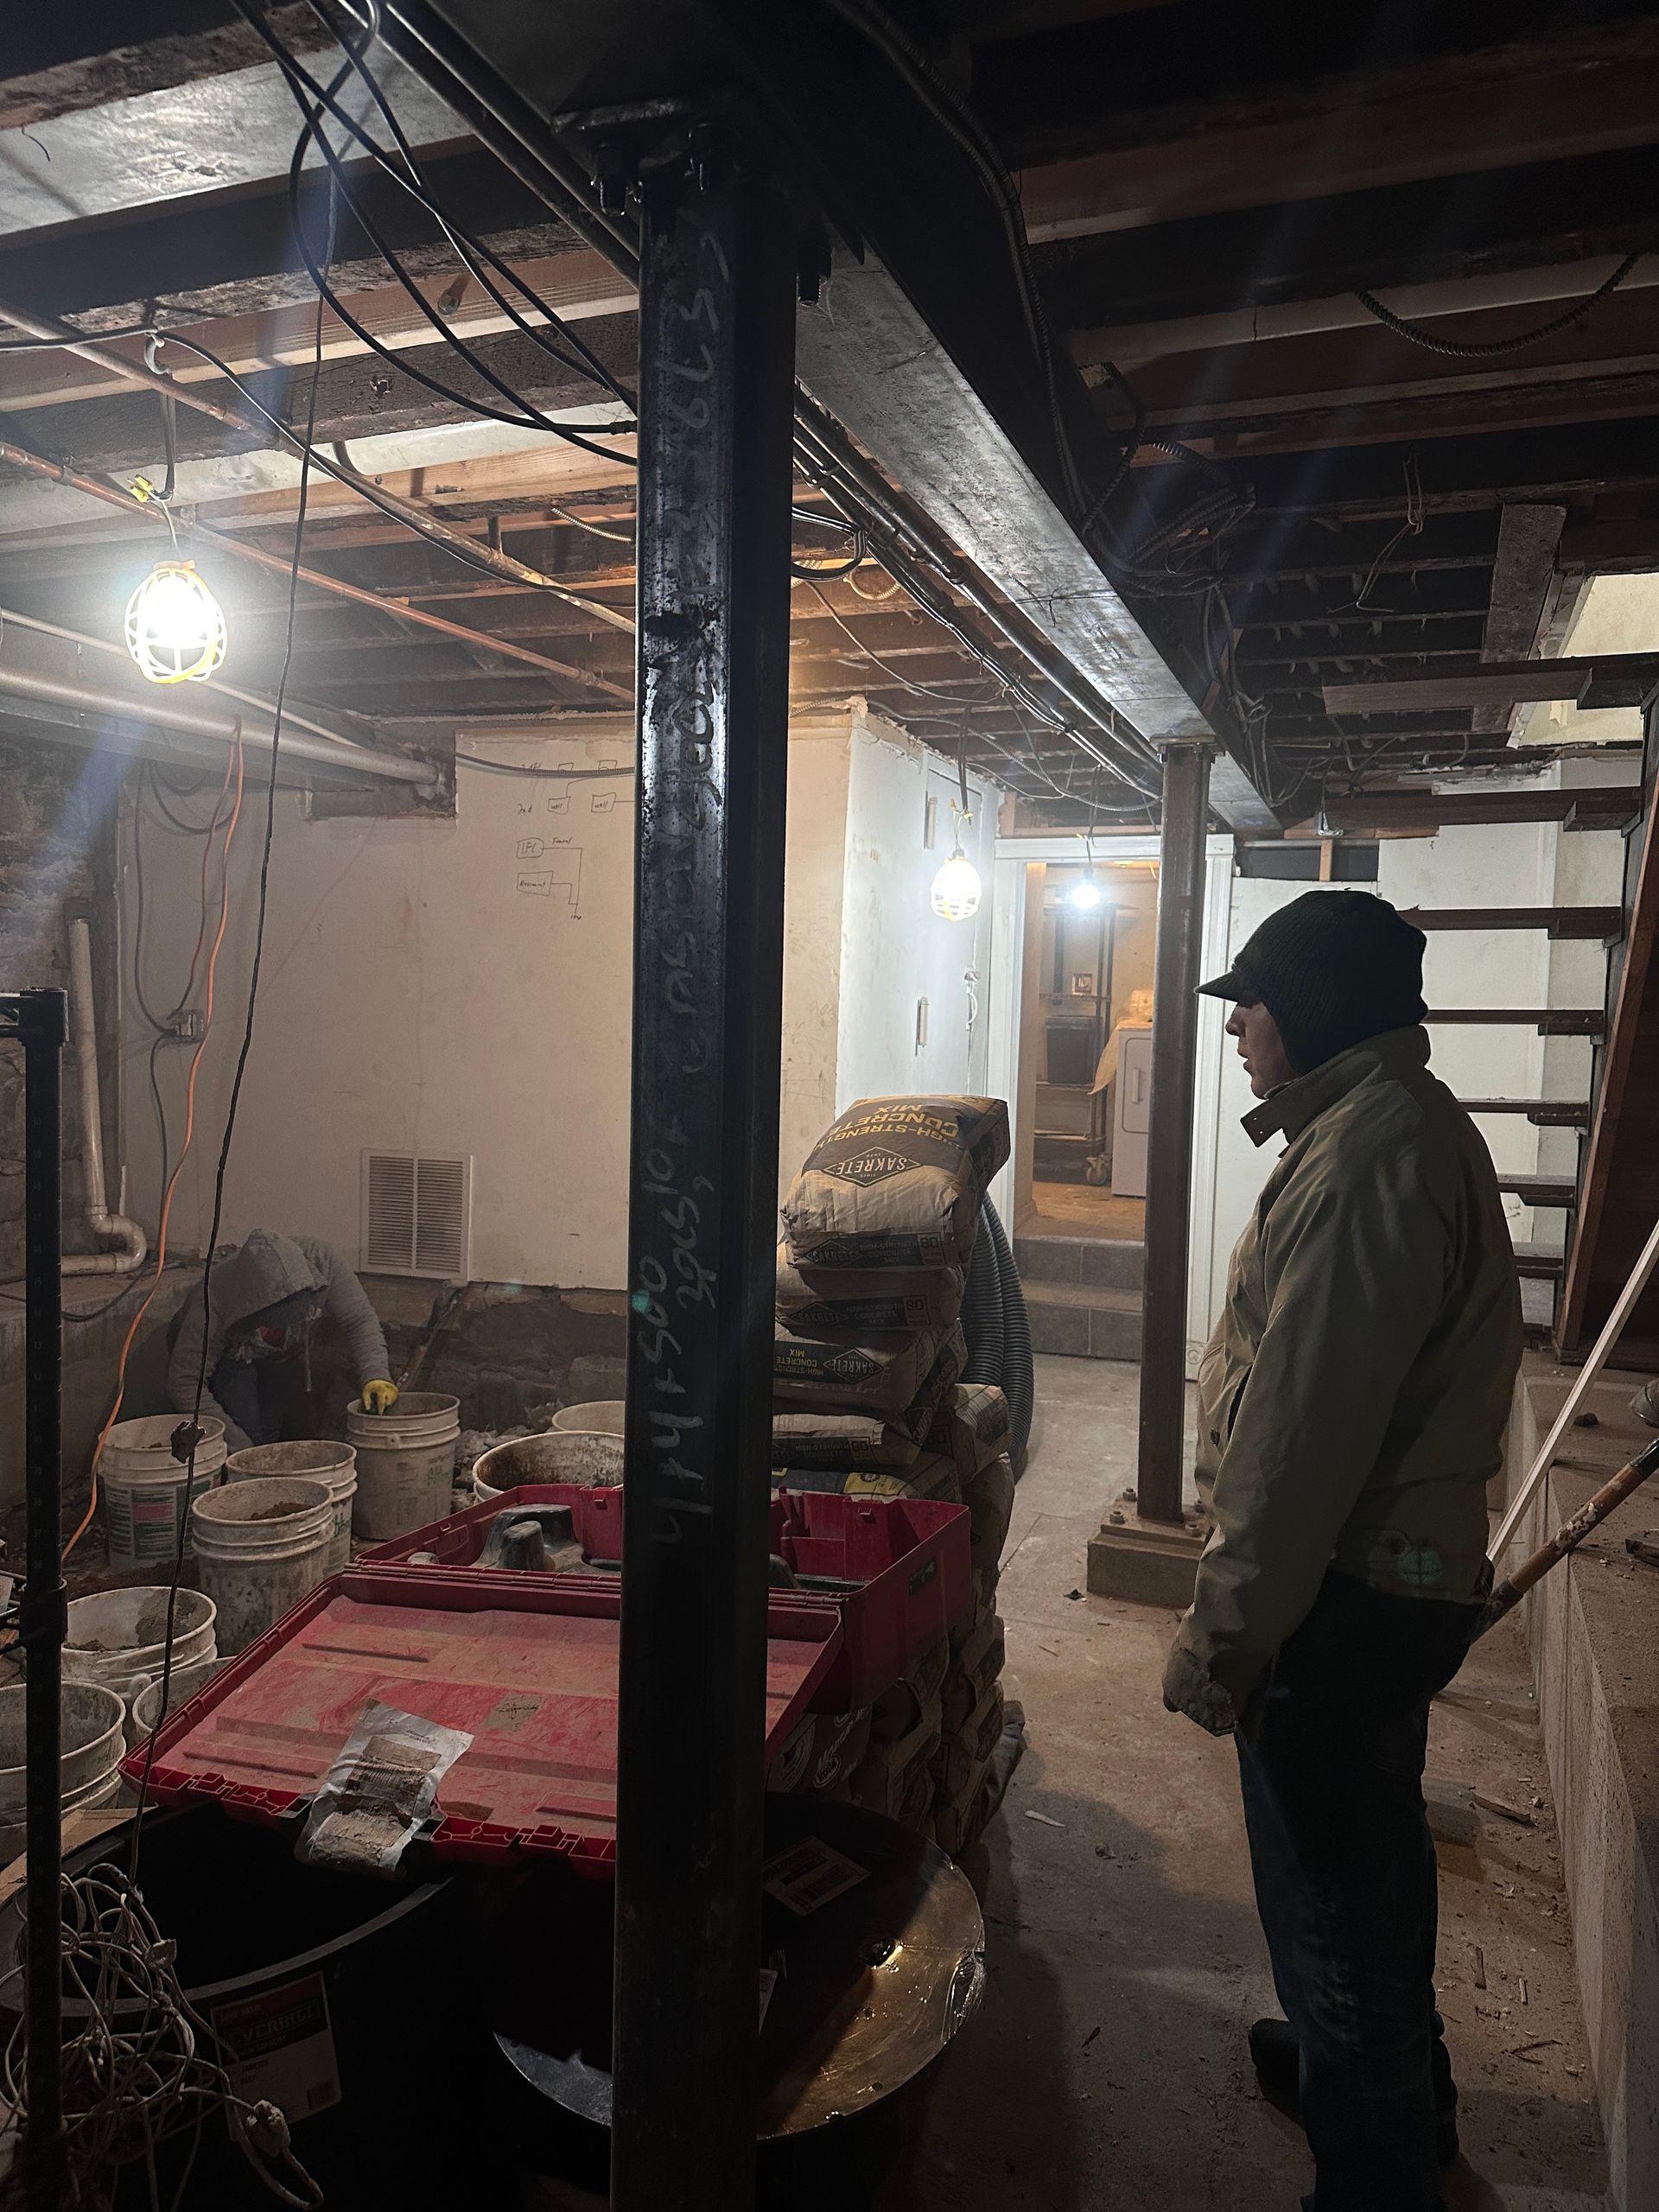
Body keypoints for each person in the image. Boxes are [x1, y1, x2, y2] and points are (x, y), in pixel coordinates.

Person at [1162, 891, 1522, 2212]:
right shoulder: (1382, 1129)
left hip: (1345, 1594)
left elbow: (1297, 1443)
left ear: (1306, 1010)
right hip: (1384, 1583)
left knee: (1330, 1893)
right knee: (1370, 1851)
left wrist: (1224, 1638)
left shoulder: (1372, 1154)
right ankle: (1377, 2083)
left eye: (1247, 1008)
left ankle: (1369, 2158)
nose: (1240, 1035)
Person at [168, 1229, 399, 1452]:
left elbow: (359, 1320)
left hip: (280, 1354)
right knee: (247, 1432)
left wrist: (376, 1375)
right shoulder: (212, 1302)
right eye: (275, 1321)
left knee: (275, 1429)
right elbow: (185, 1383)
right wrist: (241, 1450)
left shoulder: (324, 1263)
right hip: (231, 1357)